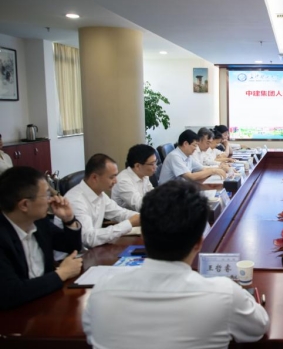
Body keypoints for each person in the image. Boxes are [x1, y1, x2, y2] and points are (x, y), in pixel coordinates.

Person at [82, 180, 270, 348]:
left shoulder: (101, 292)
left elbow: (90, 335)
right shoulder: (224, 294)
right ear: (199, 243)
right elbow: (259, 327)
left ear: (143, 236)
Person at [0, 167, 83, 310]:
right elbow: (11, 293)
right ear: (24, 205)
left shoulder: (39, 222)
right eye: (46, 195)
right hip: (15, 315)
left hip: (45, 301)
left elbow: (72, 247)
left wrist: (69, 219)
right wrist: (62, 273)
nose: (51, 200)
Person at [63, 154, 140, 248]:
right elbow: (88, 239)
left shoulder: (100, 194)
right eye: (111, 177)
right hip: (75, 254)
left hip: (93, 250)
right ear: (94, 178)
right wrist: (129, 223)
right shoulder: (76, 200)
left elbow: (120, 213)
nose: (116, 181)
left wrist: (144, 218)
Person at [159, 129, 226, 184]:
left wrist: (218, 169)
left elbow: (202, 168)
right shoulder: (175, 156)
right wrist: (213, 171)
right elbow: (190, 177)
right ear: (185, 144)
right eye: (194, 145)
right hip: (168, 193)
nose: (195, 148)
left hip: (180, 188)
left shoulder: (188, 156)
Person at [111, 144, 156, 211]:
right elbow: (141, 206)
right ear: (137, 166)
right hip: (127, 216)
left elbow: (153, 195)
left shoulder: (144, 175)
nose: (155, 166)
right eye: (151, 164)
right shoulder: (123, 181)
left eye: (155, 162)